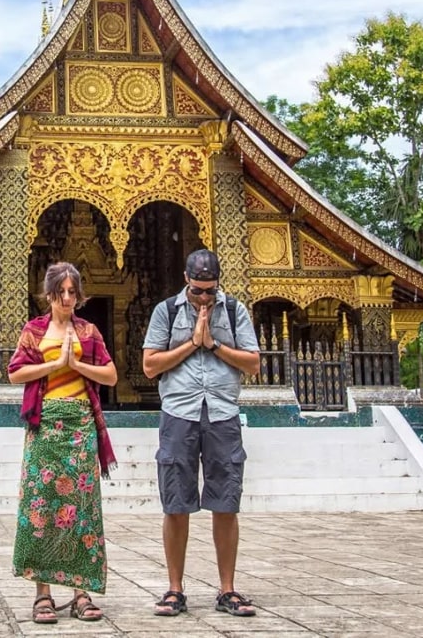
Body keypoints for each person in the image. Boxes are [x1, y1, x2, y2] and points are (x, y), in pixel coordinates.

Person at [142, 248, 260, 618]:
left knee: (226, 502)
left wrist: (214, 344)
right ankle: (175, 589)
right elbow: (149, 365)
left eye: (211, 291)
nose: (205, 298)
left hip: (222, 413)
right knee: (176, 502)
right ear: (186, 281)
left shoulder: (236, 310)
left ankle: (227, 589)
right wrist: (192, 342)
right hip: (179, 412)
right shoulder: (167, 311)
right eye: (198, 291)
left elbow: (253, 364)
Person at [8, 261, 118, 625]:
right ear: (50, 294)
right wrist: (55, 365)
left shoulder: (88, 332)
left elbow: (111, 374)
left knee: (81, 511)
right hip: (45, 427)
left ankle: (81, 592)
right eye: (61, 292)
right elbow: (15, 373)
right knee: (43, 508)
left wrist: (77, 363)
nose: (67, 299)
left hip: (79, 426)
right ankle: (43, 594)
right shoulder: (34, 331)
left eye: (73, 292)